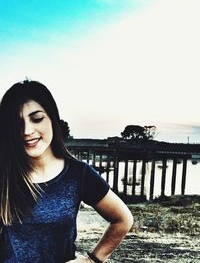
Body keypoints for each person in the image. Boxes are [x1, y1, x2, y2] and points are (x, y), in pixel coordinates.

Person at [0, 80, 133, 262]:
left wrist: (93, 259)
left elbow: (123, 219)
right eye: (17, 123)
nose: (27, 131)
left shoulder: (78, 174)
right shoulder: (4, 175)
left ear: (53, 119)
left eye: (37, 119)